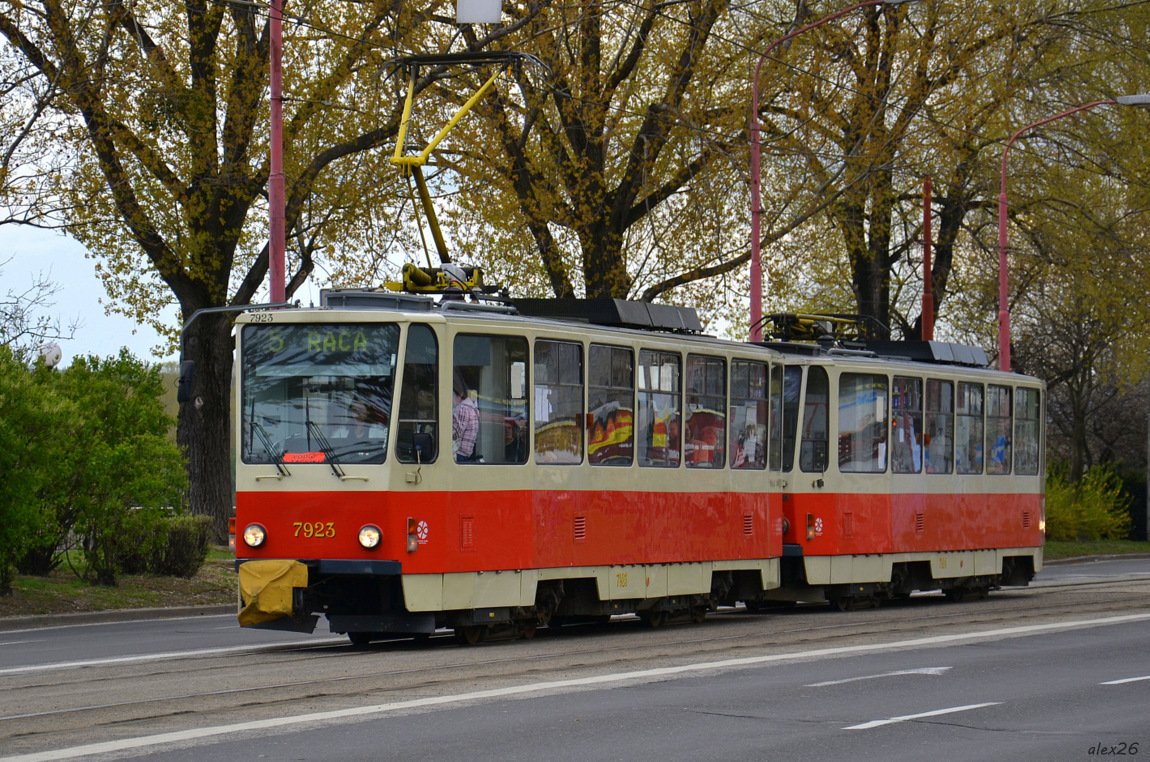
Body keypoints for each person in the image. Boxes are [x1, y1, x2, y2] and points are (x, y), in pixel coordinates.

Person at [452, 374, 480, 462]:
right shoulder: (472, 408)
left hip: (458, 453)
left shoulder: (462, 409)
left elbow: (455, 434)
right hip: (465, 454)